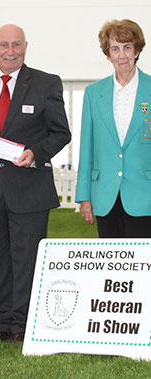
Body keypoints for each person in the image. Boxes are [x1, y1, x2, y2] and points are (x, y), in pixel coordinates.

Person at [0, 24, 71, 343]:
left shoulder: (47, 83)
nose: (11, 51)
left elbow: (61, 132)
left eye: (16, 45)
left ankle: (25, 325)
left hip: (30, 188)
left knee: (28, 261)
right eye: (4, 45)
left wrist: (35, 153)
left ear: (26, 46)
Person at [76, 20, 151, 237]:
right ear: (107, 55)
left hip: (145, 195)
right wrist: (84, 196)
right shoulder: (93, 93)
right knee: (111, 267)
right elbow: (87, 148)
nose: (122, 55)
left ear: (137, 51)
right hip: (105, 196)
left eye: (127, 47)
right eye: (115, 49)